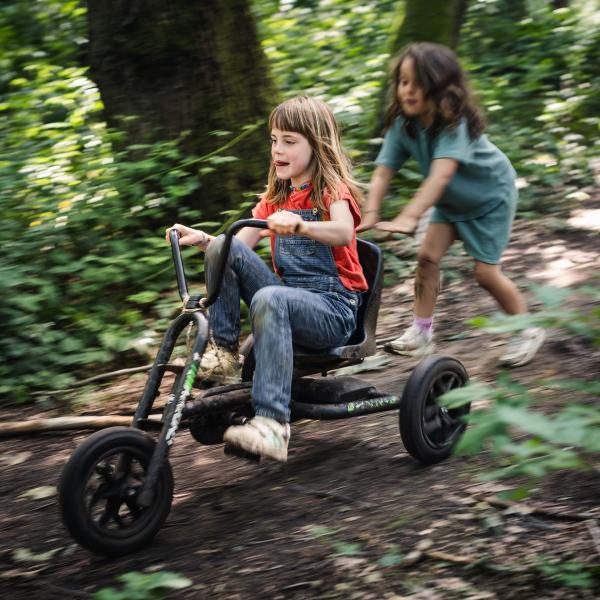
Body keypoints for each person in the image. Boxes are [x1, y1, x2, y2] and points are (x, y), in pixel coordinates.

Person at [166, 96, 367, 462]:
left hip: (334, 311)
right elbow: (235, 253)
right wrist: (205, 242)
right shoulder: (276, 198)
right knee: (224, 245)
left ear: (317, 145)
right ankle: (225, 356)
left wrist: (302, 224)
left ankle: (273, 426)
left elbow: (343, 232)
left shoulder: (332, 190)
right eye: (274, 139)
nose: (278, 149)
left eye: (290, 141)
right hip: (288, 301)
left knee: (270, 298)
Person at [358, 42, 545, 367]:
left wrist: (408, 216)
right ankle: (421, 332)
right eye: (403, 82)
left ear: (441, 87)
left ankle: (527, 328)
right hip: (451, 202)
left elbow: (440, 177)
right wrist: (372, 212)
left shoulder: (453, 124)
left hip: (490, 197)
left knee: (486, 274)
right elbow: (383, 173)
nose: (408, 91)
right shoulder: (403, 125)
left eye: (418, 83)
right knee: (427, 259)